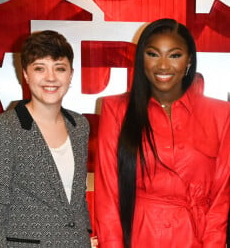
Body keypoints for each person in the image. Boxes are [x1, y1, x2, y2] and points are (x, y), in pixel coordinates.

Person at [95, 18, 230, 247]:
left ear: (189, 61)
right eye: (153, 54)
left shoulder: (221, 114)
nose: (163, 66)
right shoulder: (116, 110)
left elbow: (221, 197)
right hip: (139, 237)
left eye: (175, 55)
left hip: (196, 238)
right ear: (141, 60)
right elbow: (108, 194)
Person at [0, 30, 92, 247]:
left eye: (59, 68)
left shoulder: (79, 126)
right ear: (26, 74)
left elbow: (77, 199)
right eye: (40, 68)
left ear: (70, 74)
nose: (51, 78)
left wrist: (85, 235)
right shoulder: (2, 129)